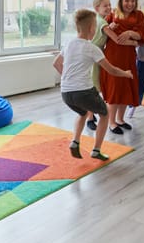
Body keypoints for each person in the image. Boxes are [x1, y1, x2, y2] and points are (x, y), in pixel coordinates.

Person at [53, 9, 133, 160]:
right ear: (92, 29)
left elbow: (56, 63)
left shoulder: (69, 43)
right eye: (95, 25)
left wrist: (68, 79)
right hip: (83, 91)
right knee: (105, 114)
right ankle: (96, 150)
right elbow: (112, 70)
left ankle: (75, 141)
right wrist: (126, 74)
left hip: (65, 93)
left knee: (82, 113)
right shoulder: (92, 48)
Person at [85, 0, 138, 131]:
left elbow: (106, 31)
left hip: (97, 54)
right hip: (94, 57)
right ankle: (89, 117)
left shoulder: (101, 21)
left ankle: (94, 116)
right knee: (94, 88)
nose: (109, 8)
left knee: (95, 86)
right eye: (105, 6)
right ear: (97, 8)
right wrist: (134, 42)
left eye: (109, 5)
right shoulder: (102, 23)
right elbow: (116, 39)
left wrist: (111, 26)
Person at [100, 0, 144, 135]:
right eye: (127, 0)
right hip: (113, 55)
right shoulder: (113, 14)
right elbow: (102, 31)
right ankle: (111, 122)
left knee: (126, 86)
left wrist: (129, 33)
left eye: (133, 1)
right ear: (121, 1)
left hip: (128, 56)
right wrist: (111, 28)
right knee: (115, 88)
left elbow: (142, 36)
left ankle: (120, 119)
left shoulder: (139, 15)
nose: (130, 4)